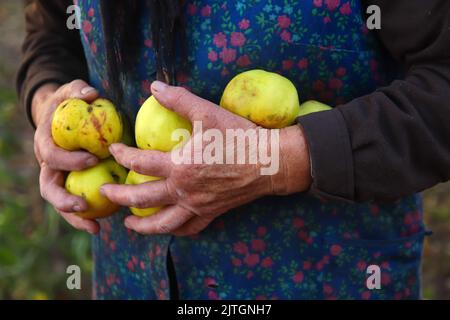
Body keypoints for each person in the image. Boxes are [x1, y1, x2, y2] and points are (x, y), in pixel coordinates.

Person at [17, 0, 450, 299]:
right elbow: (52, 33)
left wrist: (281, 162)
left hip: (328, 274)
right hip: (130, 277)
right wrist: (49, 105)